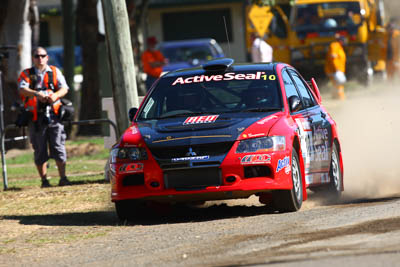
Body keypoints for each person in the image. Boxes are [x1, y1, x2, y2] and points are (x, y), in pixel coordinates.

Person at [17, 47, 70, 188]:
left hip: (54, 116)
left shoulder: (54, 71)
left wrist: (55, 96)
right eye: (37, 56)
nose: (40, 58)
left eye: (43, 55)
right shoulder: (26, 74)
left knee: (58, 147)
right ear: (33, 58)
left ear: (47, 57)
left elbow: (64, 88)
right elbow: (22, 89)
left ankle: (63, 178)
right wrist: (37, 94)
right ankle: (44, 181)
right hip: (36, 118)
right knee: (39, 150)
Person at [324, 33, 347, 100]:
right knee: (338, 84)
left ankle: (335, 97)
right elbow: (333, 58)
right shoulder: (335, 46)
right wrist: (337, 69)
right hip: (334, 70)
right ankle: (340, 97)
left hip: (338, 70)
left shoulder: (340, 47)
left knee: (337, 84)